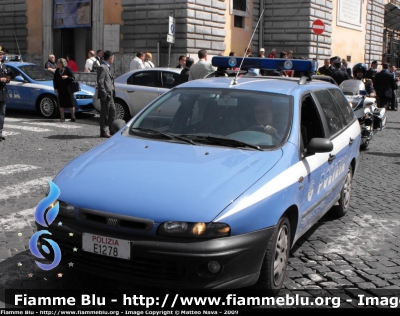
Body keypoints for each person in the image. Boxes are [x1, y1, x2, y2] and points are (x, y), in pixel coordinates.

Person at [97, 50, 116, 138]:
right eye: (113, 58)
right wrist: (103, 94)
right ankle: (103, 131)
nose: (113, 60)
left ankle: (112, 130)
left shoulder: (107, 67)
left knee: (113, 112)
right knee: (105, 113)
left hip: (110, 94)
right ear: (110, 58)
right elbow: (100, 82)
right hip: (106, 95)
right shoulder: (102, 67)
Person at [53, 58, 76, 122]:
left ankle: (73, 117)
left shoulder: (68, 69)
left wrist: (67, 77)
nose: (57, 64)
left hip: (68, 89)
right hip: (61, 89)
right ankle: (62, 117)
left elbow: (73, 78)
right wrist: (55, 88)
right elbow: (54, 80)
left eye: (58, 63)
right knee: (61, 103)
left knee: (71, 103)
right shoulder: (57, 71)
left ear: (62, 63)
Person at [0, 51, 10, 142]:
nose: (0, 56)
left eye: (1, 55)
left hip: (3, 93)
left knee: (2, 113)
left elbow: (8, 76)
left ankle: (0, 131)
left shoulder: (3, 66)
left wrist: (6, 79)